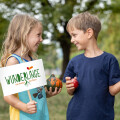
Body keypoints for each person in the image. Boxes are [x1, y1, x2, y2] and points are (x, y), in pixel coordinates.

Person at [0, 14, 61, 120]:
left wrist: (48, 93)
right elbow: (8, 96)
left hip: (40, 115)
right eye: (38, 35)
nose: (41, 39)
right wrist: (24, 107)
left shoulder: (33, 61)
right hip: (24, 116)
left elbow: (36, 92)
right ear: (24, 35)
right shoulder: (13, 61)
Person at [63, 12, 120, 120]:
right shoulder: (74, 62)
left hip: (102, 116)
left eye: (74, 35)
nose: (72, 40)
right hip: (76, 116)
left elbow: (112, 90)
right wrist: (70, 88)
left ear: (89, 33)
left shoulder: (109, 60)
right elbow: (70, 92)